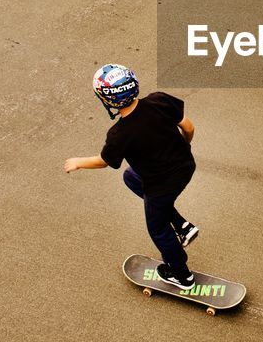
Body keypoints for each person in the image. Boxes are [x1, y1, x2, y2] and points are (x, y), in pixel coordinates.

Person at [63, 64, 200, 289]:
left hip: (161, 184)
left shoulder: (120, 134)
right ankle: (182, 225)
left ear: (107, 100)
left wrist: (78, 163)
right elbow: (189, 127)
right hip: (185, 166)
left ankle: (181, 274)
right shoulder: (160, 100)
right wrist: (184, 145)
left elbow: (104, 161)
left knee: (157, 228)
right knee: (131, 177)